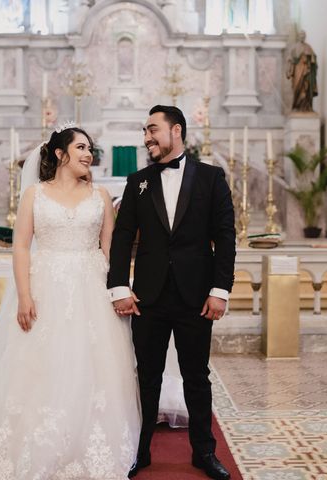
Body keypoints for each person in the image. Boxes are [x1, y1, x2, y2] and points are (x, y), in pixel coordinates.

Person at [0, 125, 140, 479]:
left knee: (94, 366)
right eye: (80, 147)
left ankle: (87, 439)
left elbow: (110, 248)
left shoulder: (100, 196)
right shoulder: (35, 195)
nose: (88, 154)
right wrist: (24, 295)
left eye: (90, 148)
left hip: (91, 286)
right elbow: (21, 246)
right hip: (46, 285)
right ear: (59, 153)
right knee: (42, 365)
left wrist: (121, 288)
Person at [108, 105, 236, 480]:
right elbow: (121, 238)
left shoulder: (212, 178)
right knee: (146, 376)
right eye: (145, 131)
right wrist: (119, 287)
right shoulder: (138, 181)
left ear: (175, 130)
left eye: (153, 129)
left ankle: (204, 453)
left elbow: (225, 237)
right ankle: (140, 451)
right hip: (147, 296)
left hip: (196, 295)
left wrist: (220, 290)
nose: (146, 137)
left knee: (196, 376)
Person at [286, 30, 318, 112]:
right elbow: (290, 59)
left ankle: (306, 107)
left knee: (306, 88)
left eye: (304, 35)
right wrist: (289, 70)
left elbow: (313, 59)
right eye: (301, 34)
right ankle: (296, 106)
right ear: (298, 36)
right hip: (297, 70)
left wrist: (310, 59)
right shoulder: (294, 47)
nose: (302, 36)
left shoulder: (308, 47)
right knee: (297, 87)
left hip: (306, 71)